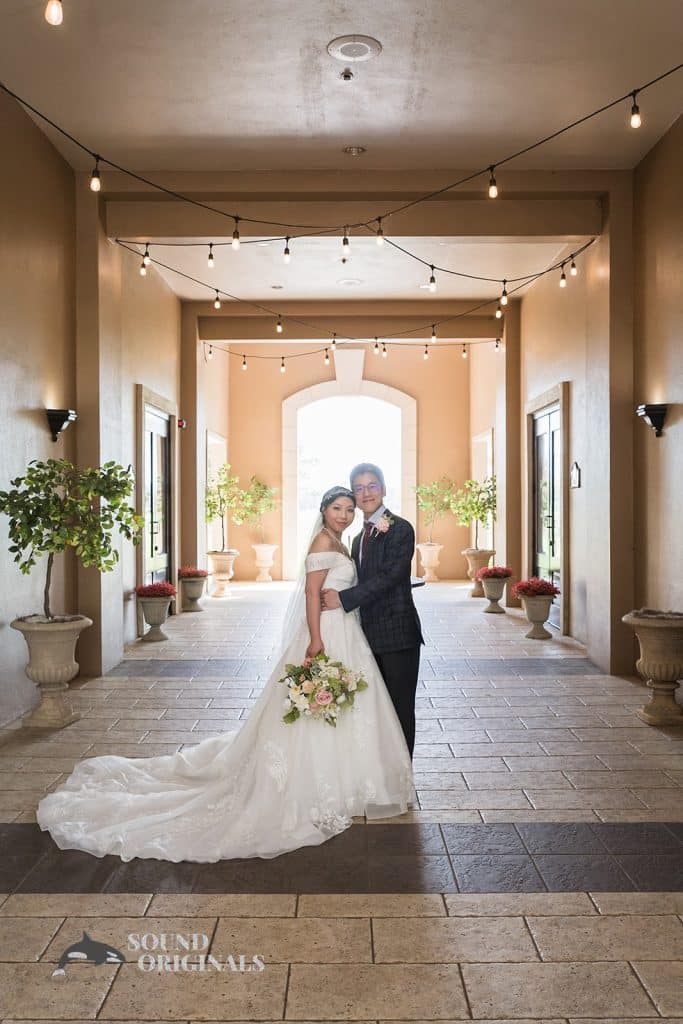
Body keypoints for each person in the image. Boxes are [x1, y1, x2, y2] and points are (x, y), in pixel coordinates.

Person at [35, 486, 414, 863]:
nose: (345, 514)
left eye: (349, 509)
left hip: (347, 632)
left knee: (344, 711)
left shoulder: (340, 541)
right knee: (319, 711)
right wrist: (315, 640)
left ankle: (346, 779)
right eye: (337, 507)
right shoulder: (322, 543)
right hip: (328, 633)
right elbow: (312, 596)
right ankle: (317, 783)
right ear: (324, 509)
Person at [321, 463, 423, 756]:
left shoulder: (400, 529)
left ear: (384, 489)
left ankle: (403, 779)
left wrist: (344, 598)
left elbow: (390, 577)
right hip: (365, 636)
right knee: (376, 712)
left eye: (372, 486)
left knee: (401, 709)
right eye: (360, 488)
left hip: (397, 635)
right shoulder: (356, 539)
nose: (366, 493)